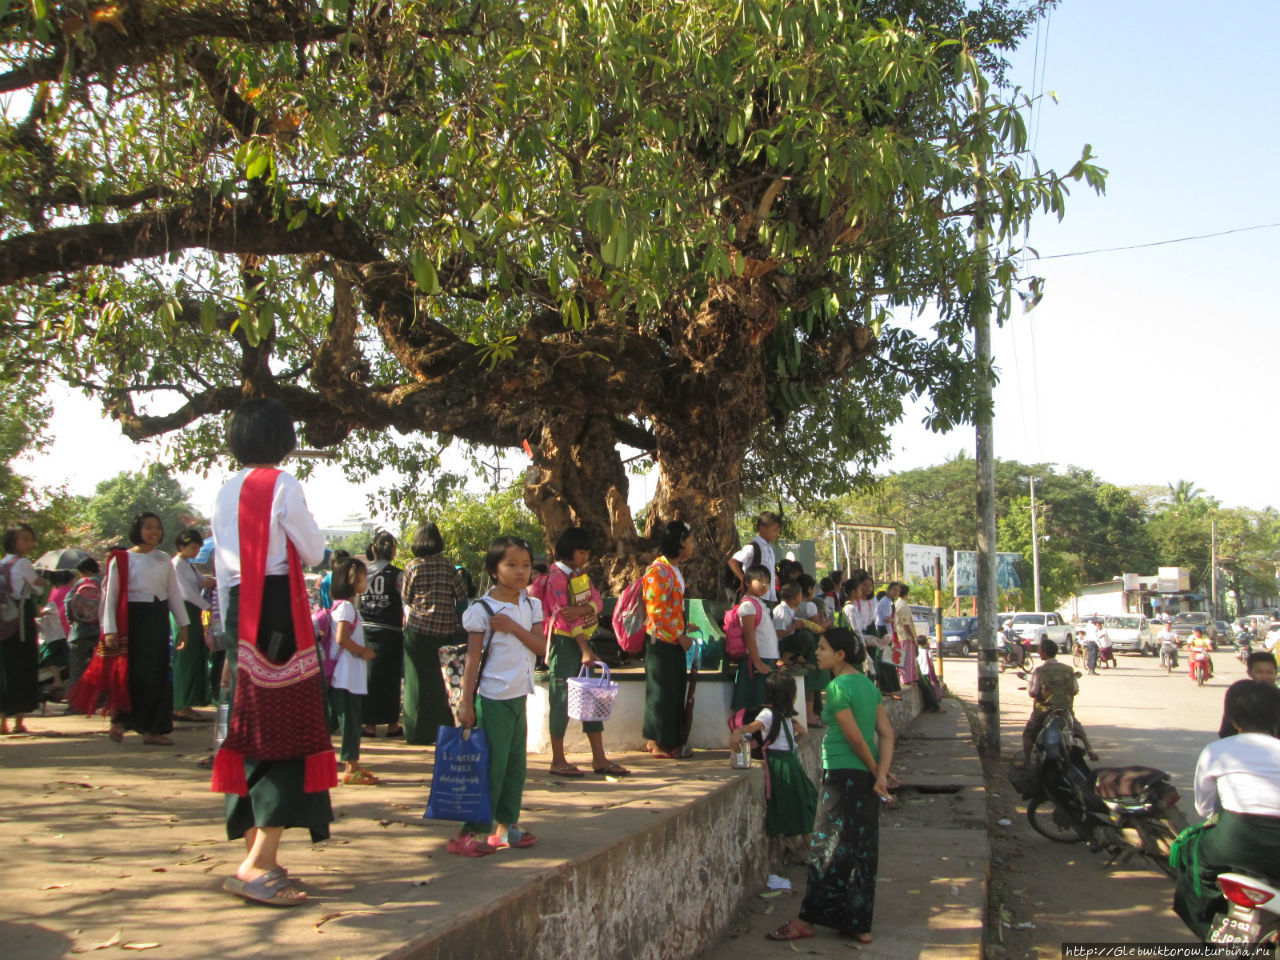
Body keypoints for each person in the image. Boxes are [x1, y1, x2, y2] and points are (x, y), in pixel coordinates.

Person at [211, 397, 333, 906]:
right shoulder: (284, 484)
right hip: (279, 606)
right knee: (288, 730)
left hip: (241, 610)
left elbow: (221, 570)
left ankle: (261, 853)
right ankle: (257, 864)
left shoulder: (223, 489)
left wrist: (226, 632)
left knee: (249, 729)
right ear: (282, 437)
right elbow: (313, 552)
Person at [768, 628, 895, 944]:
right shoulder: (867, 686)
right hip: (866, 778)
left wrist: (876, 769)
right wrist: (880, 774)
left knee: (827, 846)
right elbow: (887, 734)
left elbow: (854, 738)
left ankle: (807, 921)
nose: (816, 653)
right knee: (861, 847)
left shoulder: (837, 688)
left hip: (842, 775)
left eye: (823, 648)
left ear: (840, 655)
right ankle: (858, 922)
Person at [452, 535, 545, 856]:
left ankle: (506, 827)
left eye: (526, 565)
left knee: (515, 766)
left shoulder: (532, 604)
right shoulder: (482, 609)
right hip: (491, 697)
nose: (521, 572)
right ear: (494, 570)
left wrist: (512, 627)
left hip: (520, 695)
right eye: (511, 565)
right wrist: (466, 703)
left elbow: (541, 647)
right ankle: (469, 831)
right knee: (490, 766)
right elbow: (473, 660)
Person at [1174, 680, 1280, 941]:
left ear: (1231, 718)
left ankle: (1209, 929)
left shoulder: (1217, 751)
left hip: (1231, 842)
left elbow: (1204, 808)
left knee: (1191, 856)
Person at [542, 527, 628, 778]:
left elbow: (596, 602)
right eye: (582, 551)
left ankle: (599, 758)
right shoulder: (556, 577)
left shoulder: (578, 575)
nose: (585, 556)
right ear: (570, 550)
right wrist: (584, 647)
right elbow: (565, 616)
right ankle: (558, 759)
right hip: (565, 643)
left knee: (591, 698)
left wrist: (582, 611)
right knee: (560, 700)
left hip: (581, 643)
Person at [101, 513, 190, 745]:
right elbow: (110, 597)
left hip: (157, 620)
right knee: (131, 673)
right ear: (137, 530)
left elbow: (174, 594)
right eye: (148, 527)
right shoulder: (121, 559)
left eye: (157, 527)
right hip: (132, 620)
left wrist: (183, 624)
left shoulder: (163, 560)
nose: (154, 532)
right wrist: (109, 630)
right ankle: (119, 722)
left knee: (158, 674)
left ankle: (154, 729)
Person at [400, 522, 467, 746]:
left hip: (417, 631)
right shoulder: (449, 567)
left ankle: (416, 732)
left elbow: (406, 597)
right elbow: (461, 595)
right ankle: (442, 731)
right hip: (445, 631)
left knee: (416, 683)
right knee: (443, 683)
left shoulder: (412, 566)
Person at [729, 673, 816, 839]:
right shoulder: (768, 715)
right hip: (781, 764)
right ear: (789, 695)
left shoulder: (786, 716)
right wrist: (738, 731)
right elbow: (751, 728)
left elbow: (791, 739)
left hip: (791, 762)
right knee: (795, 803)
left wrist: (799, 732)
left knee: (807, 800)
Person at [642, 520, 696, 759]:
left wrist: (684, 626)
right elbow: (656, 610)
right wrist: (679, 636)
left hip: (670, 639)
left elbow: (670, 607)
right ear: (680, 543)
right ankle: (662, 744)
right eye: (691, 540)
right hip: (662, 641)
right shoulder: (659, 571)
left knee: (670, 689)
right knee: (664, 692)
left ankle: (658, 740)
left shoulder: (672, 569)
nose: (693, 545)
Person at [329, 556, 378, 785]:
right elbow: (341, 638)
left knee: (347, 719)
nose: (365, 580)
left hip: (347, 676)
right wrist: (362, 651)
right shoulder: (347, 607)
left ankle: (353, 764)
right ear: (351, 579)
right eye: (362, 576)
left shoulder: (346, 607)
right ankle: (350, 767)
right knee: (349, 721)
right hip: (345, 676)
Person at [1020, 638, 1098, 765]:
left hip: (1045, 710)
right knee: (1076, 726)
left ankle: (1027, 761)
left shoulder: (1039, 671)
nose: (1039, 652)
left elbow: (1032, 692)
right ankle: (1089, 747)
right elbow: (1075, 689)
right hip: (1064, 709)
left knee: (1028, 733)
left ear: (1044, 652)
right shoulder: (1068, 669)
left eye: (1040, 650)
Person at [360, 531, 404, 738]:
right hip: (391, 632)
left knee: (369, 677)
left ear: (373, 548)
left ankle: (368, 724)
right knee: (390, 678)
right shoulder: (398, 575)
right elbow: (406, 603)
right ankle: (392, 724)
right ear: (393, 551)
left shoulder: (363, 573)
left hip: (366, 629)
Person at [1, 523, 44, 733]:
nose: (29, 543)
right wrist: (42, 581)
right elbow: (36, 587)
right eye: (24, 539)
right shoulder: (24, 563)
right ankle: (19, 720)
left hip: (3, 620)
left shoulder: (3, 563)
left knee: (4, 669)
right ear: (13, 542)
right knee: (23, 667)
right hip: (20, 618)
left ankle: (2, 721)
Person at [172, 528, 214, 721]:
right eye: (193, 548)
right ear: (182, 547)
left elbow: (201, 582)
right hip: (183, 613)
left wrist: (213, 581)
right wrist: (207, 606)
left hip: (193, 612)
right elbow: (186, 593)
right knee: (185, 657)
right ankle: (179, 704)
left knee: (195, 655)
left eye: (198, 548)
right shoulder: (176, 565)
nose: (196, 552)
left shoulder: (189, 565)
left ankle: (187, 702)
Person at [732, 564, 781, 712]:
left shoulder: (760, 604)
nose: (764, 585)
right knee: (755, 706)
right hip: (756, 663)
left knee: (765, 705)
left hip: (766, 660)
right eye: (760, 580)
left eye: (767, 581)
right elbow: (749, 635)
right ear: (747, 581)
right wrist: (757, 662)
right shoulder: (748, 606)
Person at [894, 583, 941, 712]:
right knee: (906, 659)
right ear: (906, 593)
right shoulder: (902, 605)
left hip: (902, 635)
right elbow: (905, 623)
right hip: (905, 636)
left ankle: (908, 678)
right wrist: (913, 636)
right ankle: (906, 679)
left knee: (906, 659)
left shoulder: (898, 604)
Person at [63, 556, 101, 709]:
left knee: (76, 671)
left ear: (84, 571)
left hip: (79, 633)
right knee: (99, 669)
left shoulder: (80, 583)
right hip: (98, 633)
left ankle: (74, 705)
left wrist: (71, 619)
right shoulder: (102, 582)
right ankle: (97, 702)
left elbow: (68, 601)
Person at [1217, 652, 1278, 738]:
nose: (1265, 677)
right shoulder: (1239, 696)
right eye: (1259, 672)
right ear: (1249, 673)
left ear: (1276, 673)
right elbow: (1226, 731)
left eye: (1270, 672)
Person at [728, 512, 781, 601]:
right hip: (755, 597)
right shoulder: (753, 546)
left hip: (768, 596)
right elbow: (732, 562)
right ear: (763, 528)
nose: (777, 534)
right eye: (775, 530)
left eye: (778, 531)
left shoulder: (770, 549)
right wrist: (743, 579)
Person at [873, 586, 902, 699]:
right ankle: (885, 687)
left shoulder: (889, 602)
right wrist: (894, 620)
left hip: (886, 631)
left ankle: (887, 687)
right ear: (889, 590)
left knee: (886, 660)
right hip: (882, 631)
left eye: (898, 591)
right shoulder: (885, 603)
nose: (896, 592)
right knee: (885, 660)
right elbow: (886, 619)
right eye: (895, 590)